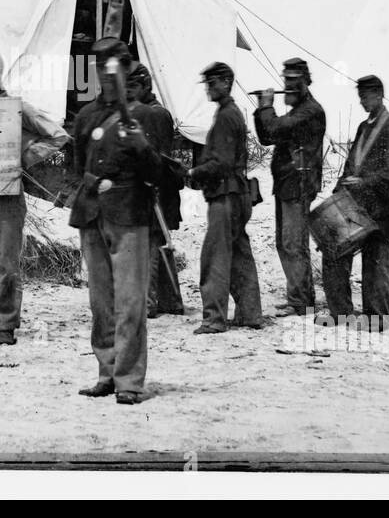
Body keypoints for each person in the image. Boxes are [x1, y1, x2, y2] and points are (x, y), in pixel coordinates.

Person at [0, 49, 70, 346]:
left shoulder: (17, 108)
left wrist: (21, 158)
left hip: (5, 194)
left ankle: (6, 325)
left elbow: (57, 136)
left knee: (6, 262)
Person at [68, 37, 159, 405]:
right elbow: (77, 165)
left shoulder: (147, 116)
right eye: (102, 68)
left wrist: (141, 146)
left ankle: (130, 380)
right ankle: (106, 372)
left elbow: (160, 173)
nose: (109, 75)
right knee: (101, 302)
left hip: (130, 214)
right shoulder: (87, 116)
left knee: (131, 302)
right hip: (93, 213)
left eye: (116, 67)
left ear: (126, 69)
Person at [187, 62, 264, 334]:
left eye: (212, 82)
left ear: (226, 82)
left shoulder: (225, 116)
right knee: (239, 256)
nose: (208, 88)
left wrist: (195, 171)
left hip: (225, 196)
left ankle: (214, 319)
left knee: (215, 257)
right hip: (238, 194)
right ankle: (251, 314)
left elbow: (221, 162)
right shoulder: (231, 113)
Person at [321, 75, 389, 318]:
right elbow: (351, 164)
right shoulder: (363, 126)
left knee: (376, 264)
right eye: (360, 97)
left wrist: (364, 182)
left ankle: (377, 318)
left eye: (366, 97)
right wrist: (341, 186)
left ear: (379, 95)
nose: (362, 102)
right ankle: (341, 313)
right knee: (334, 254)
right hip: (355, 202)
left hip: (379, 207)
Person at [254, 57, 326, 318]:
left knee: (294, 243)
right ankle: (297, 298)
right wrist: (260, 109)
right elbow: (267, 137)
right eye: (286, 81)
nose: (288, 86)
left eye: (294, 82)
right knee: (284, 243)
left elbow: (273, 127)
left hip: (299, 185)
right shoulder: (297, 112)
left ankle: (302, 302)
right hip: (287, 184)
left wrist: (266, 107)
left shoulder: (311, 111)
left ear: (306, 82)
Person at [125, 61, 184, 318]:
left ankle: (149, 303)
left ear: (145, 85)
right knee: (155, 245)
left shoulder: (155, 114)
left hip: (157, 190)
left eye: (134, 86)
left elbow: (158, 156)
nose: (129, 91)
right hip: (151, 189)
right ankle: (167, 302)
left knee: (151, 246)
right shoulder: (145, 111)